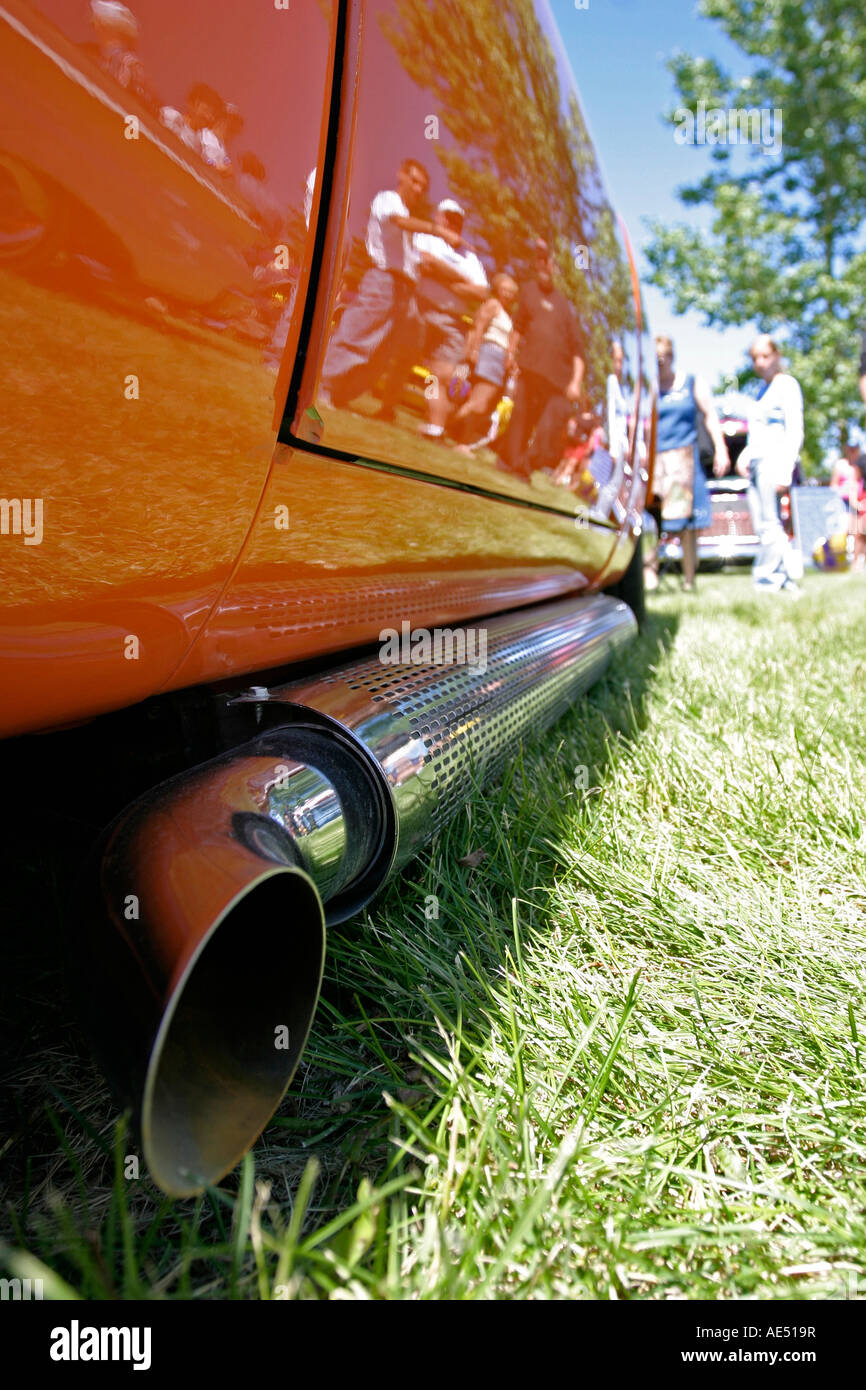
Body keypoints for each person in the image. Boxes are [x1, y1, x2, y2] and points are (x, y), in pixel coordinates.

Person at [319, 160, 460, 417]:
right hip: (384, 281)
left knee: (381, 353)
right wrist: (437, 230)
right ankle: (323, 386)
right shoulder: (389, 200)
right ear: (401, 175)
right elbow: (398, 221)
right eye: (414, 181)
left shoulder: (410, 226)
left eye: (423, 187)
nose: (418, 189)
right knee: (357, 336)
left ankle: (341, 396)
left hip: (404, 291)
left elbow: (412, 257)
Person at [501, 239, 584, 479]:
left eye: (550, 264)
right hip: (529, 367)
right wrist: (510, 354)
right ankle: (512, 463)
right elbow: (517, 327)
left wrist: (575, 382)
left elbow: (578, 351)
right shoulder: (528, 291)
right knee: (520, 416)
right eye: (542, 263)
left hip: (557, 380)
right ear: (537, 266)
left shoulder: (565, 307)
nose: (545, 268)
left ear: (554, 269)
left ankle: (528, 463)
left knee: (549, 427)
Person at [654, 336, 729, 592]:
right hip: (658, 462)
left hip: (686, 459)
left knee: (688, 526)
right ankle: (650, 577)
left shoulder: (691, 383)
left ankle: (689, 580)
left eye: (662, 359)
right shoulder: (650, 388)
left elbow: (710, 415)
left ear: (671, 357)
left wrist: (721, 449)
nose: (658, 364)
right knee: (654, 521)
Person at [412, 200, 488, 439]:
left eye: (457, 220)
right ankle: (381, 408)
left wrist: (443, 276)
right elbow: (426, 262)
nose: (451, 223)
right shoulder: (426, 238)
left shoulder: (470, 256)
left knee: (441, 375)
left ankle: (435, 428)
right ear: (439, 216)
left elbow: (482, 292)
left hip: (451, 320)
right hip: (419, 309)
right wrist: (463, 281)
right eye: (448, 217)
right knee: (397, 356)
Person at [736, 335, 804, 594]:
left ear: (776, 356)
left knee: (771, 523)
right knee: (762, 523)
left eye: (765, 356)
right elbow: (758, 432)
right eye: (755, 358)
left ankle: (767, 580)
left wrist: (786, 469)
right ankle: (784, 579)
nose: (760, 363)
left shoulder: (786, 385)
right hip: (756, 463)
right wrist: (745, 456)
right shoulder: (761, 391)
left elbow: (794, 429)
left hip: (773, 462)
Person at [451, 273, 518, 447]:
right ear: (497, 289)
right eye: (505, 290)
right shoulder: (493, 305)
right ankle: (453, 433)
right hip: (490, 353)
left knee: (481, 402)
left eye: (512, 292)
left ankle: (452, 433)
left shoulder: (506, 312)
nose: (508, 295)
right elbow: (479, 325)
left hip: (498, 357)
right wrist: (474, 349)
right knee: (480, 402)